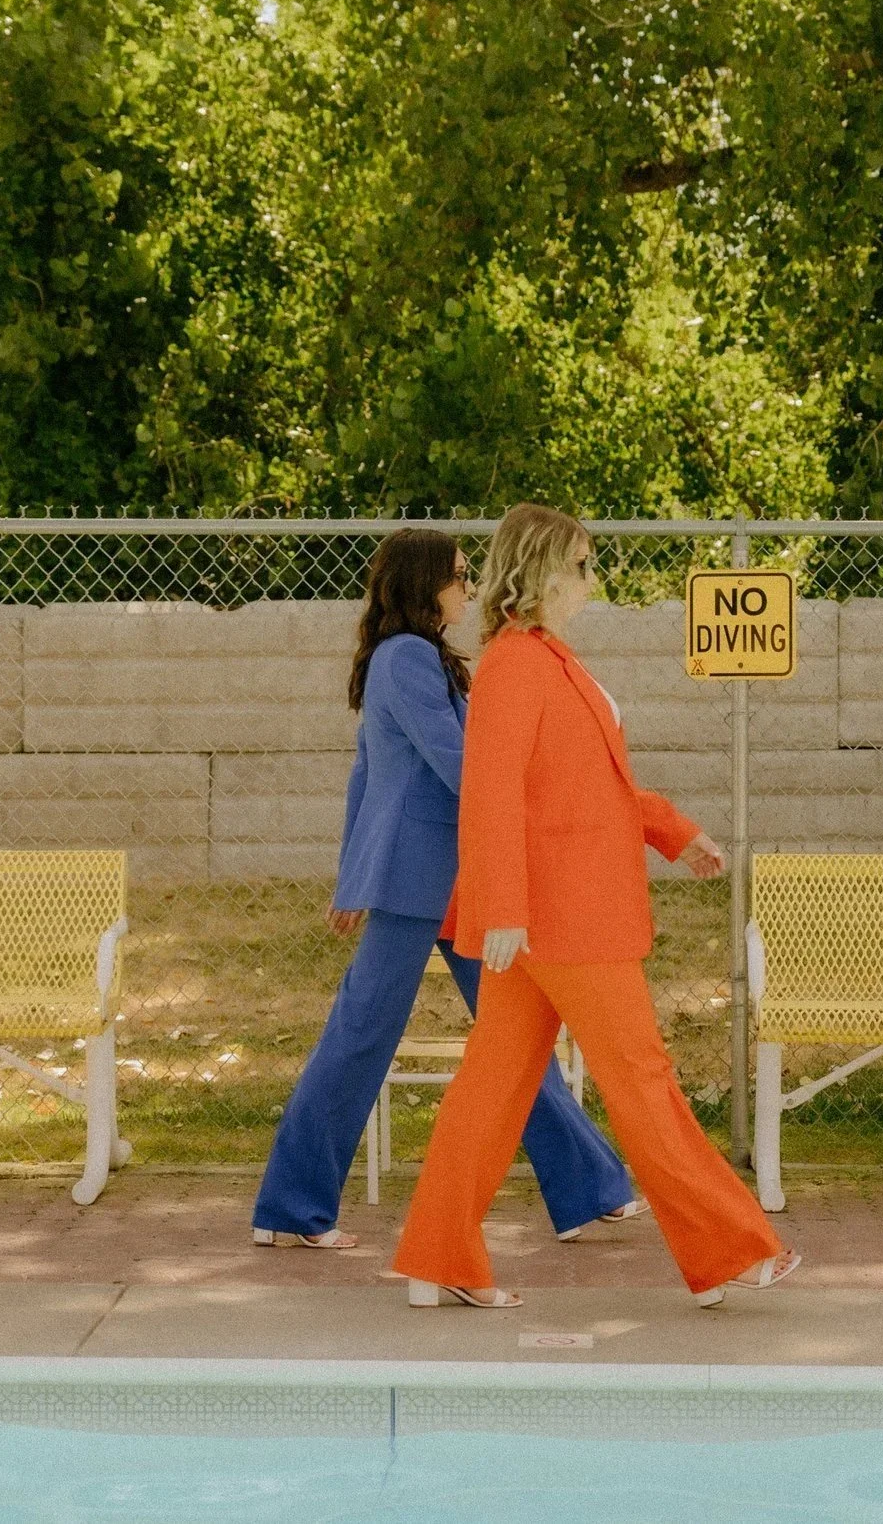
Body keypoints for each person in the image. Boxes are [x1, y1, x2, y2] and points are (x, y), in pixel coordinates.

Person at [392, 504, 801, 1309]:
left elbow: (589, 789)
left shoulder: (545, 658)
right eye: (580, 565)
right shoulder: (516, 663)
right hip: (561, 921)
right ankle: (727, 1247)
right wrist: (504, 905)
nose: (591, 580)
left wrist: (674, 831)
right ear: (541, 571)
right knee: (643, 1080)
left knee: (494, 1085)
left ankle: (436, 1256)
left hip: (550, 920)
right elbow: (491, 793)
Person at [250, 526, 642, 1250]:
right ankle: (291, 1207)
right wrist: (549, 801)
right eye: (460, 575)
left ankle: (590, 1187)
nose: (471, 585)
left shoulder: (420, 658)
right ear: (425, 583)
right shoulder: (407, 659)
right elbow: (464, 767)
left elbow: (372, 774)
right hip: (418, 880)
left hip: (456, 883)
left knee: (512, 1037)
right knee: (363, 1034)